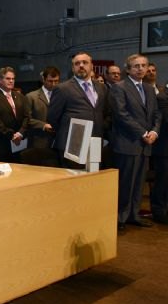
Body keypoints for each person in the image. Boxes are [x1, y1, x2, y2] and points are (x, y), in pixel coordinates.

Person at [109, 54, 161, 231]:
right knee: (125, 183)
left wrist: (154, 131)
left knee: (139, 182)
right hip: (127, 142)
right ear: (128, 69)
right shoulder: (119, 87)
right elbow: (122, 115)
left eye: (143, 65)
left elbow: (156, 114)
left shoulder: (149, 89)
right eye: (136, 66)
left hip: (145, 144)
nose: (140, 68)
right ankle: (120, 217)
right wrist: (143, 133)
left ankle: (134, 215)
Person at [47, 52, 110, 168]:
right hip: (72, 145)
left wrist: (100, 126)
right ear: (72, 68)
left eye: (85, 62)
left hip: (95, 142)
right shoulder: (62, 89)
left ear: (91, 66)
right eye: (77, 63)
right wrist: (69, 133)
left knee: (93, 180)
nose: (81, 65)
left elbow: (106, 112)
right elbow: (52, 118)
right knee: (74, 183)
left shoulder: (102, 88)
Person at [0, 67, 30, 162]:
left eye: (13, 79)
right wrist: (11, 135)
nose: (11, 81)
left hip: (19, 142)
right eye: (8, 78)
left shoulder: (20, 96)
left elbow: (27, 116)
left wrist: (20, 133)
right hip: (2, 141)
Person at [26, 66, 60, 149]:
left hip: (58, 142)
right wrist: (43, 125)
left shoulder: (62, 96)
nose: (53, 84)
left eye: (56, 81)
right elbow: (26, 119)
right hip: (38, 142)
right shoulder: (31, 97)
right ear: (43, 80)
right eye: (50, 81)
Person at [150, 90, 168, 224]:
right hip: (164, 149)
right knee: (162, 181)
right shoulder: (162, 97)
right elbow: (165, 117)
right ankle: (158, 212)